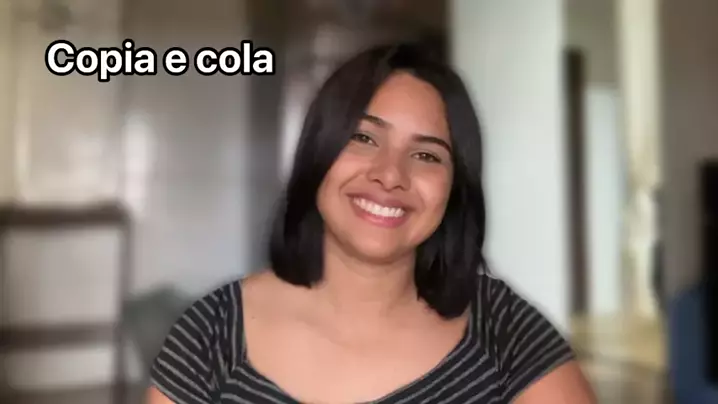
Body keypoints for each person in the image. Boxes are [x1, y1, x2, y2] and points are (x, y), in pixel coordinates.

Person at [145, 43, 596, 403]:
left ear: (454, 187)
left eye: (426, 155)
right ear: (319, 152)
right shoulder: (209, 333)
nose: (390, 174)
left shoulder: (504, 330)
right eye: (363, 137)